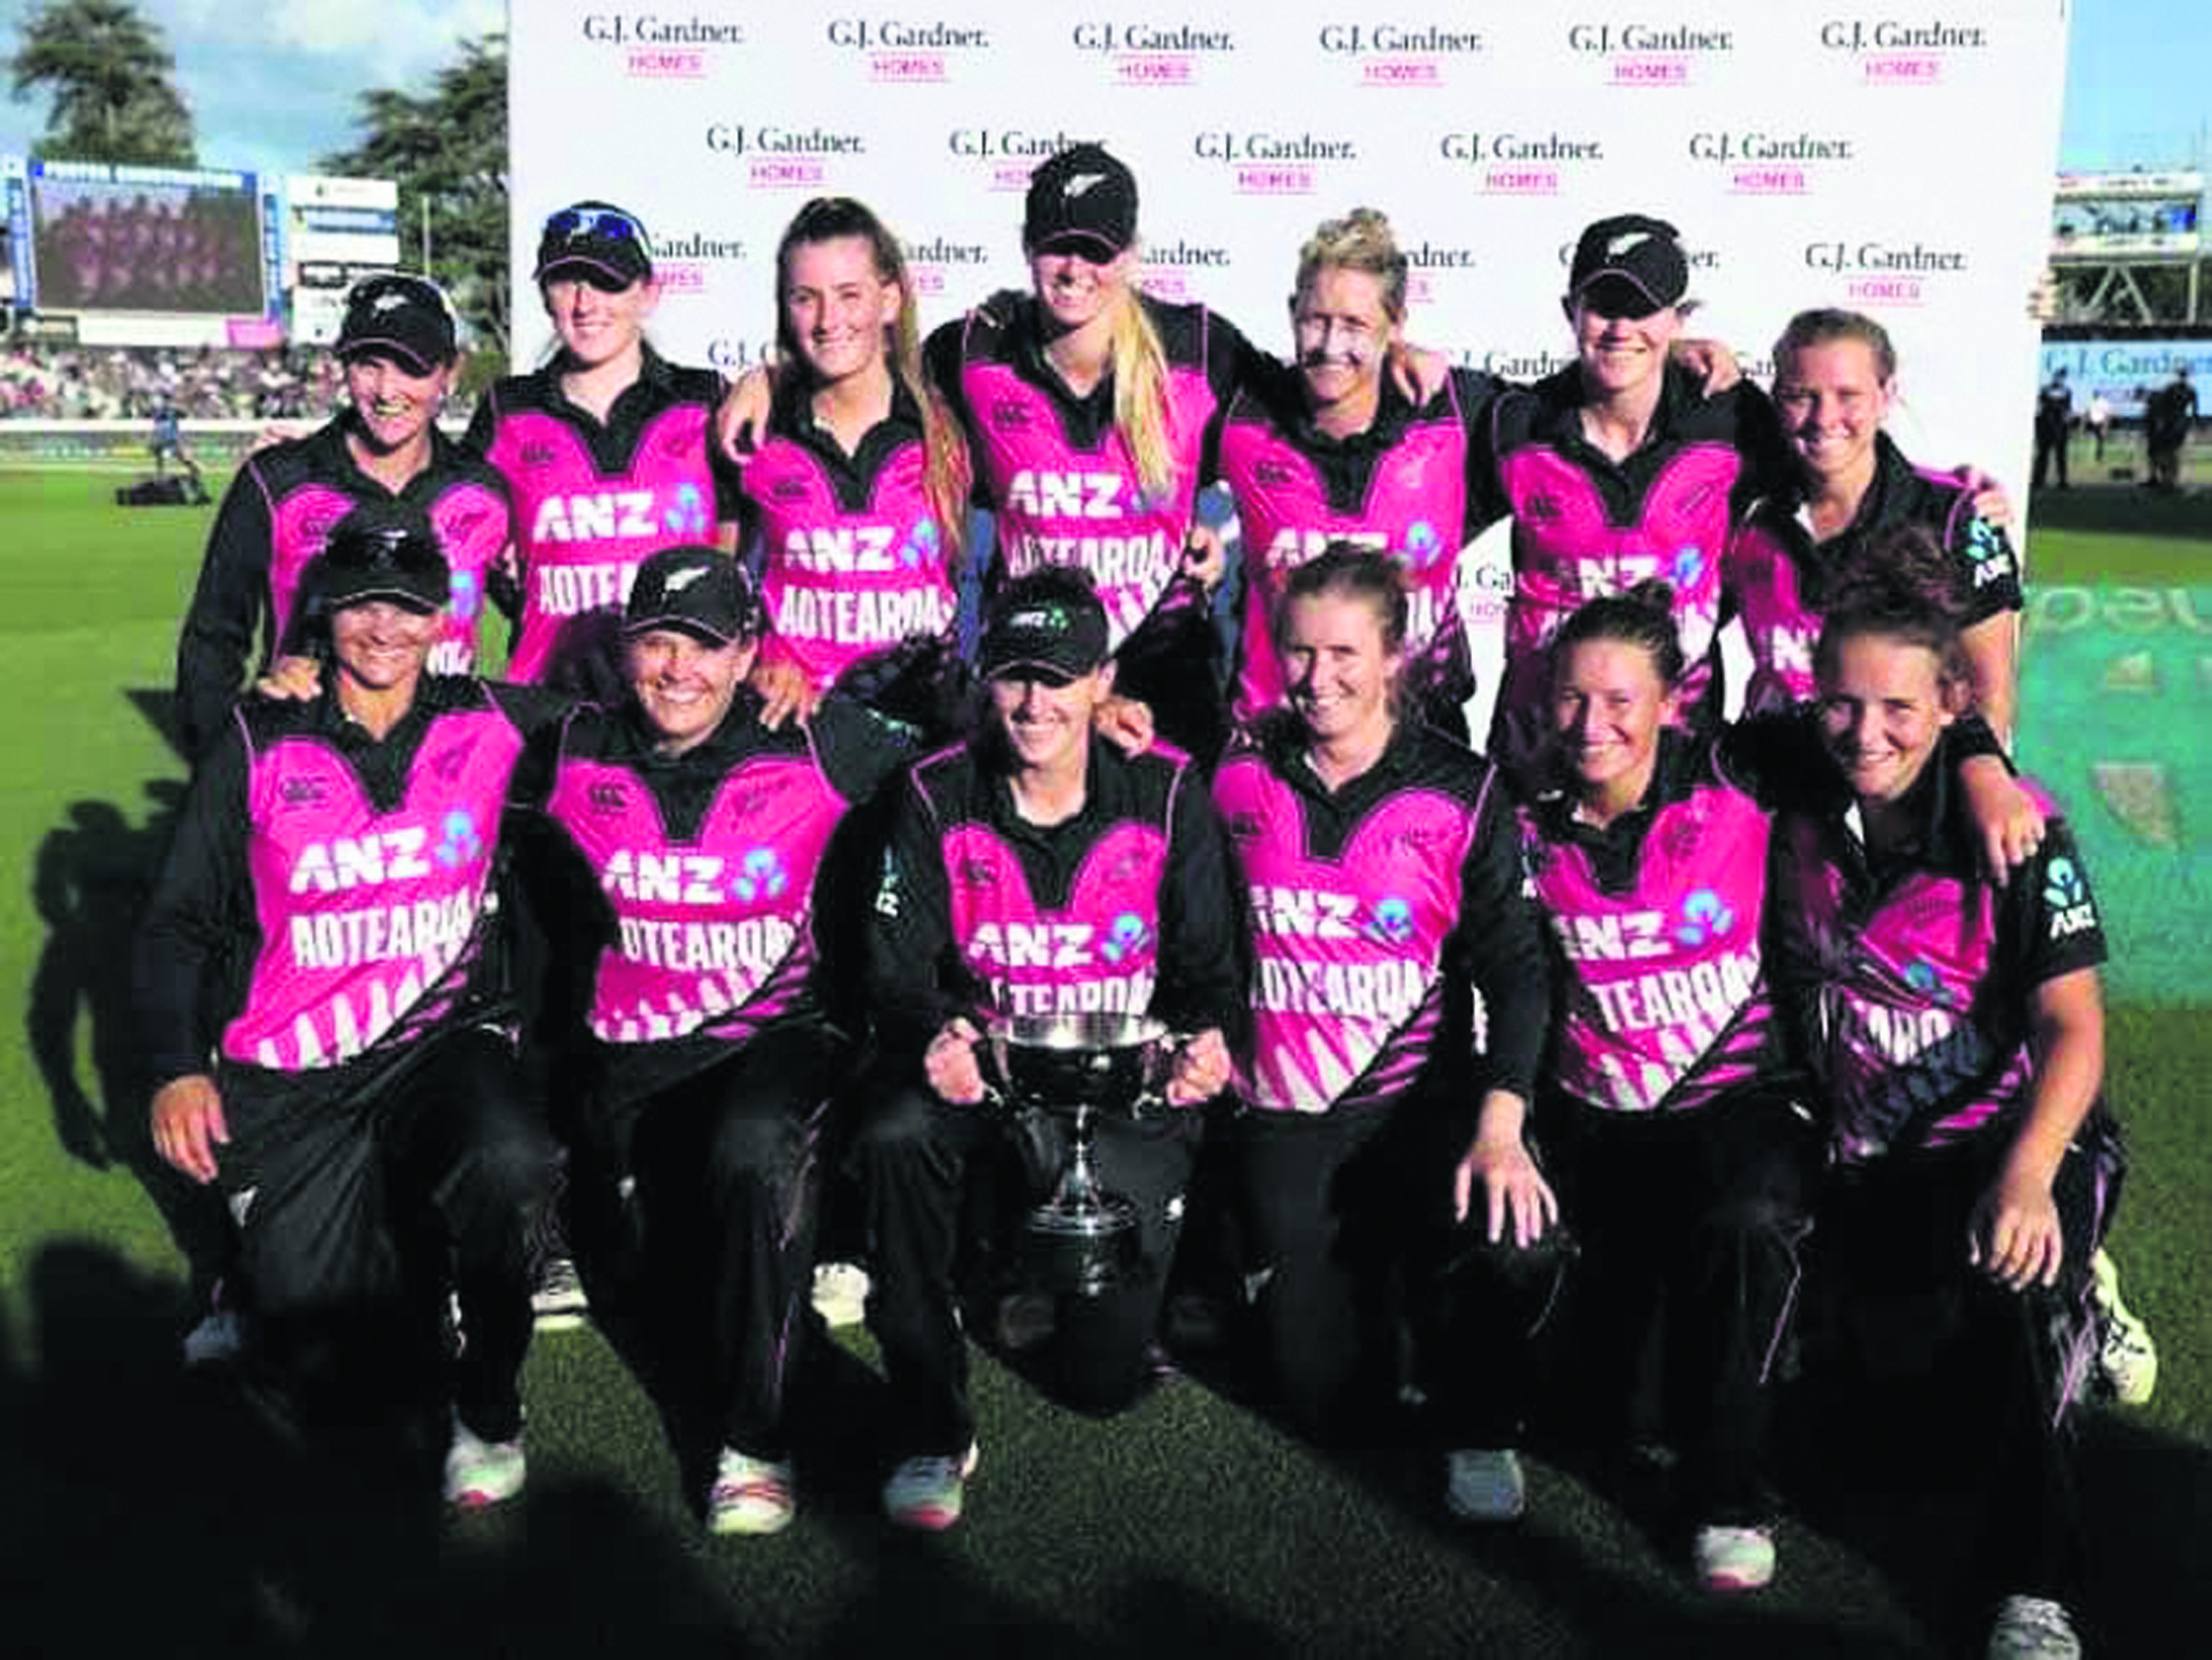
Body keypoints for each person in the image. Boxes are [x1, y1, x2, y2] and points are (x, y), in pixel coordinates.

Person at [138, 508, 561, 1507]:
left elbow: (654, 722)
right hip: (295, 1078)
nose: (384, 628)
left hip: (439, 1044)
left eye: (408, 607)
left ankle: (490, 1406)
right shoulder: (258, 736)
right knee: (333, 1383)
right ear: (324, 608)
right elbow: (177, 922)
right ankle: (348, 1269)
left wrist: (774, 681)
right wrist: (175, 1068)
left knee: (512, 1161)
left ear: (442, 618)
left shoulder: (498, 720)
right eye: (364, 604)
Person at [1767, 532, 2123, 1660]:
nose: (1864, 732)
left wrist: (2027, 1176)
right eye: (1840, 703)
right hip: (1866, 1154)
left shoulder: (2017, 828)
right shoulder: (1795, 784)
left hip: (2005, 1141)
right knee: (1876, 1446)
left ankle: (2036, 1582)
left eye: (1898, 710)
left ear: (1949, 705)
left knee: (2015, 1281)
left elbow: (2073, 1028)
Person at [527, 544, 911, 1533]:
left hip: (777, 1041)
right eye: (657, 643)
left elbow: (966, 756)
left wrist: (1102, 717)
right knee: (669, 1291)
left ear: (747, 653)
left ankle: (755, 1441)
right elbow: (429, 717)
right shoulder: (570, 747)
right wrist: (305, 676)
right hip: (632, 1073)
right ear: (624, 648)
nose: (678, 669)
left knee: (751, 1154)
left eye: (704, 646)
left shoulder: (818, 740)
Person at [852, 566, 1243, 1530]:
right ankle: (927, 1422)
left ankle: (1012, 1269)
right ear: (985, 678)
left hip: (1117, 1095)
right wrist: (933, 1032)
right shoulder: (934, 791)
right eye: (1015, 675)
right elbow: (893, 969)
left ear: (1103, 681)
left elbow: (1207, 971)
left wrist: (1204, 1044)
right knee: (896, 1132)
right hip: (983, 1079)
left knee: (1102, 1383)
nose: (1034, 703)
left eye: (1059, 678)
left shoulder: (1166, 789)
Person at [1208, 546, 1548, 1446]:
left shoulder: (1462, 789)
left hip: (1416, 1109)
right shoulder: (1236, 771)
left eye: (1343, 654)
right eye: (1299, 652)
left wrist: (1501, 1124)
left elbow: (1516, 972)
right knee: (1321, 1399)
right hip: (1283, 1114)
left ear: (1394, 656)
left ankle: (1481, 1421)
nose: (1317, 678)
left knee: (1512, 1242)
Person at [1479, 213, 1793, 778]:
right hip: (1540, 751)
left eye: (1643, 309)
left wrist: (1952, 501)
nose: (1621, 328)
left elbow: (1834, 481)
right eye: (1603, 307)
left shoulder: (1733, 417)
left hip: (1681, 747)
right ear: (1570, 311)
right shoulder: (1516, 424)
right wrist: (1398, 355)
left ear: (1679, 318)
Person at [174, 273, 511, 763]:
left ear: (450, 372)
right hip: (305, 771)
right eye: (368, 365)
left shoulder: (485, 491)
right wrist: (221, 768)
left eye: (411, 367)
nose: (387, 390)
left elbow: (531, 606)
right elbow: (213, 638)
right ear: (343, 366)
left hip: (441, 775)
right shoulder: (276, 481)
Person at [466, 201, 741, 693]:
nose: (585, 303)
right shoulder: (506, 410)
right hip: (549, 698)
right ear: (544, 295)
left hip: (678, 697)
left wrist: (769, 375)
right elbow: (457, 534)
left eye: (607, 281)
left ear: (649, 292)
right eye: (565, 282)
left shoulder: (704, 399)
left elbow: (745, 533)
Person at [1728, 308, 2024, 740]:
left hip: (1898, 775)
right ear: (1776, 400)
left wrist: (1958, 782)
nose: (1824, 417)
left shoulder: (1955, 517)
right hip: (1771, 771)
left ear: (1886, 397)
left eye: (1848, 395)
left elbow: (1989, 695)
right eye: (1801, 396)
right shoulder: (1745, 511)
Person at [737, 197, 971, 740]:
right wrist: (763, 656)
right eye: (805, 298)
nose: (827, 321)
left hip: (926, 727)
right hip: (796, 730)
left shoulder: (951, 420)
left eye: (849, 295)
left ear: (889, 299)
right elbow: (720, 581)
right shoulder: (751, 432)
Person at [2145, 362, 2195, 492]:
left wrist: (2187, 422)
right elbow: (2164, 405)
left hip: (2175, 424)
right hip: (2173, 423)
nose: (2182, 377)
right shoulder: (2177, 389)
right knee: (2168, 452)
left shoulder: (2185, 390)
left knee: (2170, 452)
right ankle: (2167, 479)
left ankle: (2169, 480)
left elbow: (2193, 410)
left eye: (2183, 374)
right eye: (2182, 374)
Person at [2032, 367, 2072, 490]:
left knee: (2061, 455)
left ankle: (2062, 480)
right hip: (2045, 426)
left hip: (2060, 427)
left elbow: (2067, 409)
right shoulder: (2045, 390)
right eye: (2058, 376)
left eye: (2062, 377)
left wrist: (2067, 425)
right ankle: (2038, 480)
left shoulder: (2067, 391)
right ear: (2054, 377)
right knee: (2042, 454)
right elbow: (2040, 407)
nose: (2060, 379)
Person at [2084, 389, 2111, 463]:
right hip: (2092, 422)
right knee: (2089, 439)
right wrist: (2085, 421)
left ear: (2098, 395)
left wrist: (2105, 426)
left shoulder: (2103, 402)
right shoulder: (2090, 401)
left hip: (2100, 422)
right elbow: (2087, 411)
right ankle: (2089, 455)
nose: (2094, 395)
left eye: (2096, 394)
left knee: (2100, 441)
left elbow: (2107, 414)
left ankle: (2098, 457)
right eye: (2094, 394)